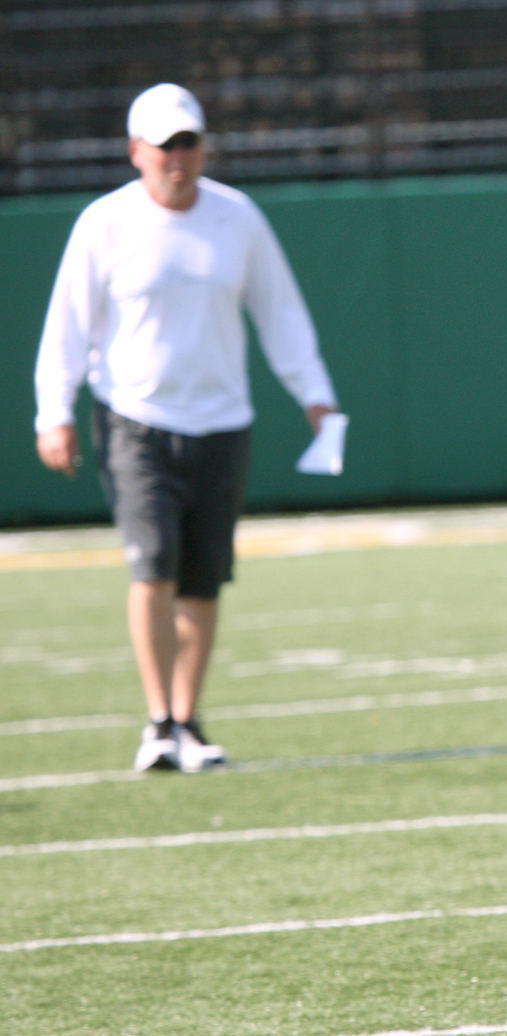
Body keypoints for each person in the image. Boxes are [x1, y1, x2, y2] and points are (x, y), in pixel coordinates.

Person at [33, 83, 339, 773]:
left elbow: (280, 312)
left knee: (203, 579)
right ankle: (158, 722)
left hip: (224, 421)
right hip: (134, 420)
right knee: (153, 564)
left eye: (189, 142)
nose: (178, 157)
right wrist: (53, 412)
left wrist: (315, 396)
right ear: (136, 151)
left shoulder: (238, 218)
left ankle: (189, 721)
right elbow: (67, 325)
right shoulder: (104, 223)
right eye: (165, 145)